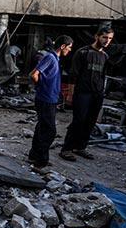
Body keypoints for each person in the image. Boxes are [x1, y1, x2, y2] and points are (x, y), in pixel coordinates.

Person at [60, 26, 114, 161]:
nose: (107, 40)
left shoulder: (105, 56)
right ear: (97, 37)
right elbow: (73, 75)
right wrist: (70, 94)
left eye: (110, 38)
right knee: (78, 121)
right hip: (82, 93)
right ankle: (66, 149)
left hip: (97, 94)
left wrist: (101, 93)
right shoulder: (83, 52)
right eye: (104, 37)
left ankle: (80, 147)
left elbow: (103, 77)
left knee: (90, 122)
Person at [28, 36, 73, 169]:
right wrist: (41, 87)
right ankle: (41, 161)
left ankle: (34, 155)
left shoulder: (55, 59)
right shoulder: (50, 58)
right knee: (49, 131)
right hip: (46, 99)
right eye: (69, 47)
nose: (70, 50)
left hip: (49, 98)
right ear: (63, 46)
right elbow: (34, 74)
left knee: (42, 127)